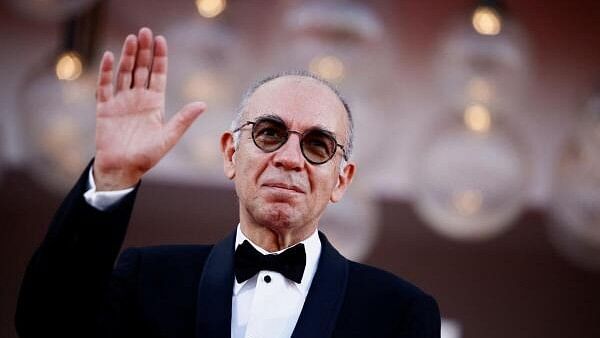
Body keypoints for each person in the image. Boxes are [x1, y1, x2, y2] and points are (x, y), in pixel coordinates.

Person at [16, 27, 440, 338]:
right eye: (269, 134)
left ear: (341, 179)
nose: (290, 159)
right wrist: (113, 177)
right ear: (230, 154)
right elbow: (46, 324)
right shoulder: (147, 279)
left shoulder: (400, 313)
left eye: (318, 144)